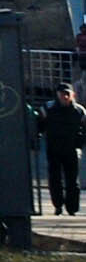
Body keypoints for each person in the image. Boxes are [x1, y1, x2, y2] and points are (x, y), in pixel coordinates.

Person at [43, 83, 85, 218]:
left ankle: (72, 208)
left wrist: (80, 143)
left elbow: (85, 129)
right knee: (55, 179)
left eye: (67, 94)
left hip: (72, 149)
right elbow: (39, 124)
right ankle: (58, 205)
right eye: (62, 94)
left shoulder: (79, 111)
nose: (65, 97)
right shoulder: (48, 108)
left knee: (72, 180)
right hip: (54, 148)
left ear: (72, 95)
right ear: (57, 95)